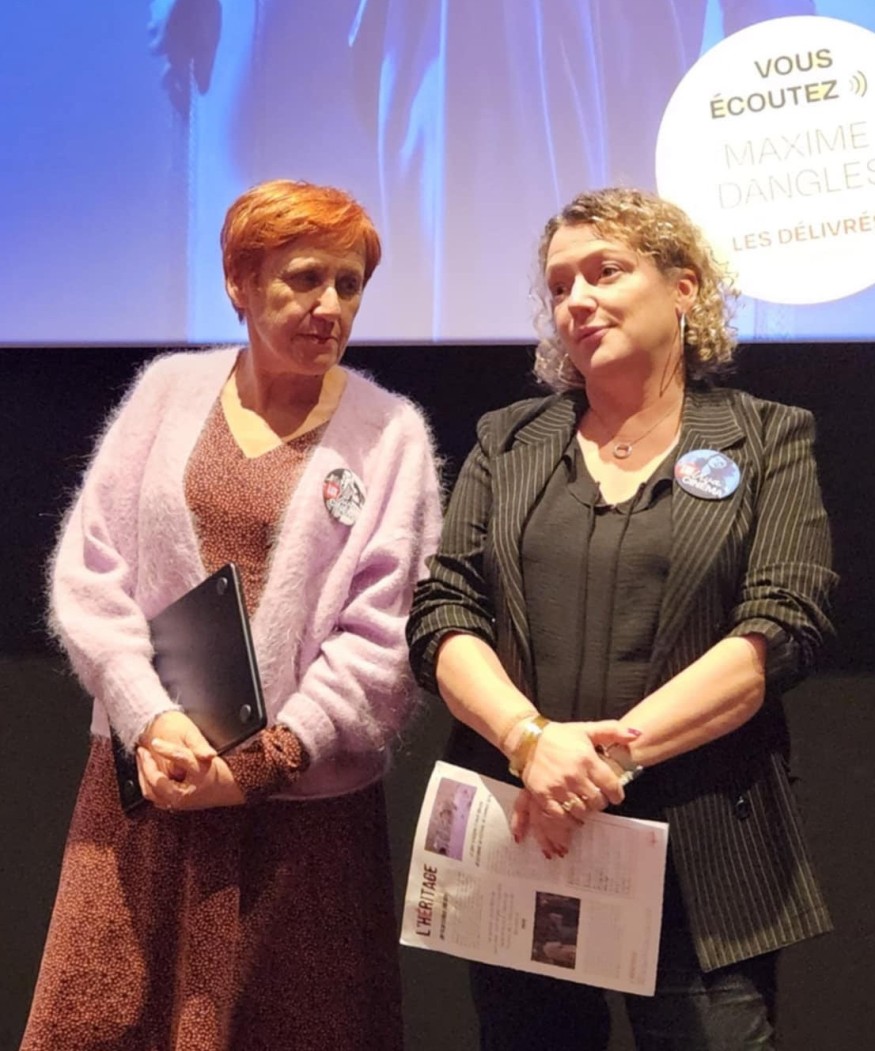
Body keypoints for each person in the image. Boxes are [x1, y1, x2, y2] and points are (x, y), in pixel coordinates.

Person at [406, 187, 836, 1050]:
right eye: (559, 284)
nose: (577, 299)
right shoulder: (508, 440)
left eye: (605, 272)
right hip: (527, 835)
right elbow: (443, 612)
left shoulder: (767, 438)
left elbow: (781, 626)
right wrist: (530, 742)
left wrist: (596, 763)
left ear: (683, 287)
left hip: (700, 848)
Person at [22, 179, 443, 1051]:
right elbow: (90, 572)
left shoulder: (390, 432)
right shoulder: (166, 391)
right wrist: (150, 717)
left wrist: (260, 762)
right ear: (239, 283)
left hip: (300, 820)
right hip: (153, 786)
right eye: (303, 278)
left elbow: (383, 636)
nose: (329, 306)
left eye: (348, 284)